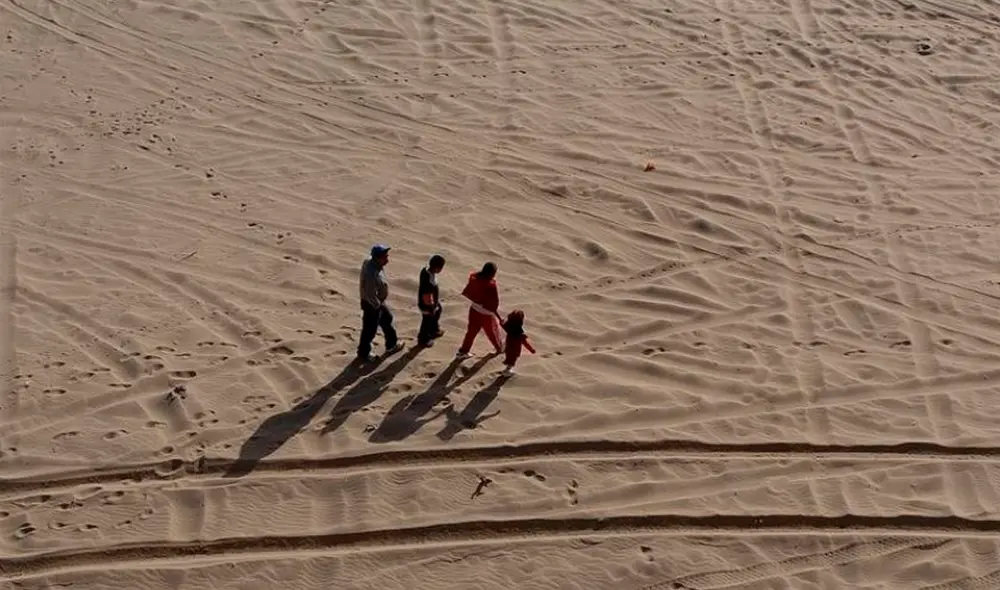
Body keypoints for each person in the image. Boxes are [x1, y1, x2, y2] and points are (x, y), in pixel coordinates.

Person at [357, 244, 403, 362]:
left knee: (387, 319)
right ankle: (364, 353)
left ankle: (392, 345)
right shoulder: (371, 274)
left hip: (377, 303)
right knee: (370, 330)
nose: (387, 259)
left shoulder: (374, 263)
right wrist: (378, 307)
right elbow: (370, 293)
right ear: (377, 258)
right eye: (385, 257)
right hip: (372, 305)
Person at [457, 262, 503, 359]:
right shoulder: (491, 285)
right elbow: (493, 303)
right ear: (492, 273)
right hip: (486, 315)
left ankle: (463, 352)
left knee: (471, 333)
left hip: (473, 310)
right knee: (492, 332)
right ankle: (499, 348)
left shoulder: (474, 278)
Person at [417, 254, 446, 346]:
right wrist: (431, 308)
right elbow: (427, 296)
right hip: (427, 305)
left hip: (432, 302)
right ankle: (423, 339)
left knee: (438, 311)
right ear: (437, 268)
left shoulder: (427, 270)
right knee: (426, 321)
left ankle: (434, 330)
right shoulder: (427, 279)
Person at [500, 309, 536, 375]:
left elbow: (503, 325)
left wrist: (501, 322)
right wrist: (532, 350)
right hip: (515, 351)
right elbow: (526, 344)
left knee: (509, 359)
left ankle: (507, 369)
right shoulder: (520, 335)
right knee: (512, 361)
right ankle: (507, 372)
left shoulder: (508, 328)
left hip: (508, 348)